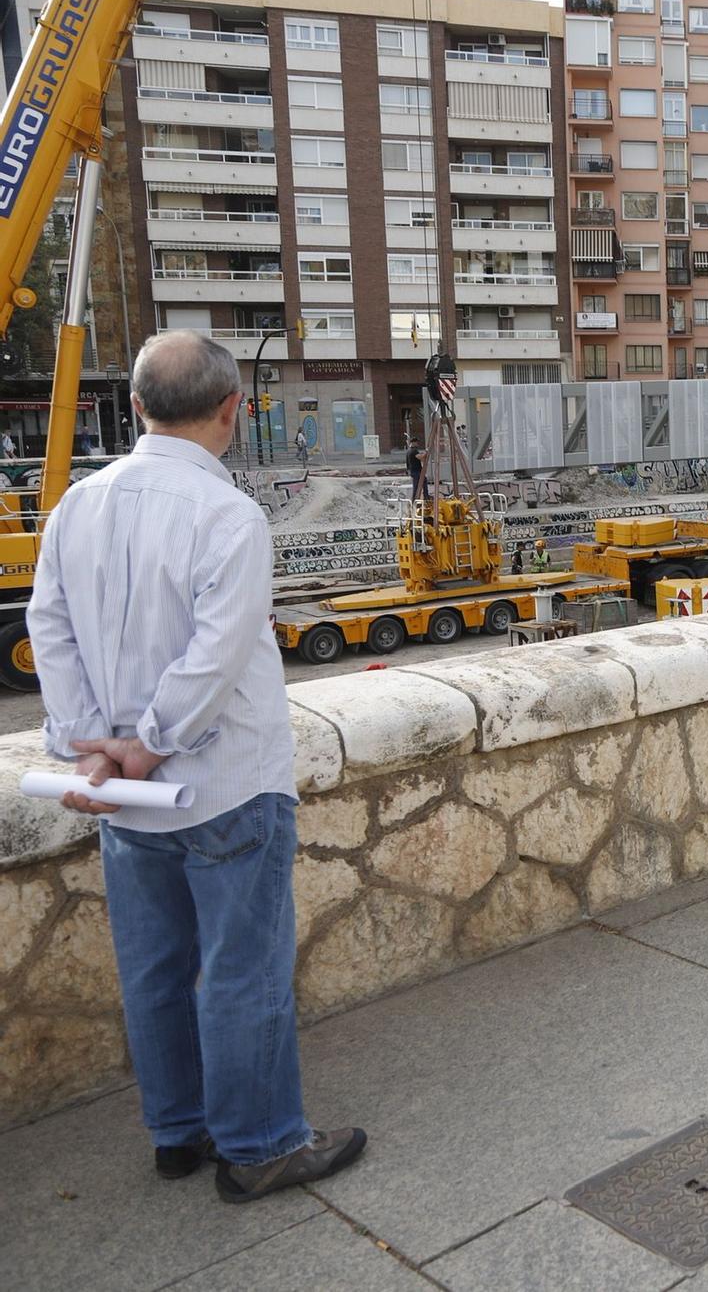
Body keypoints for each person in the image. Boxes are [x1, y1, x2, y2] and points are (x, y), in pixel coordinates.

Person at [26, 330, 366, 1203]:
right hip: (224, 783)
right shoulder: (228, 515)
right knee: (242, 969)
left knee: (154, 969)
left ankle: (177, 1132)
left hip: (129, 796)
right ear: (232, 408)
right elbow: (217, 656)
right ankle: (258, 1144)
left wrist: (89, 742)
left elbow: (49, 628)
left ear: (135, 405)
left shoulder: (74, 508)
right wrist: (152, 738)